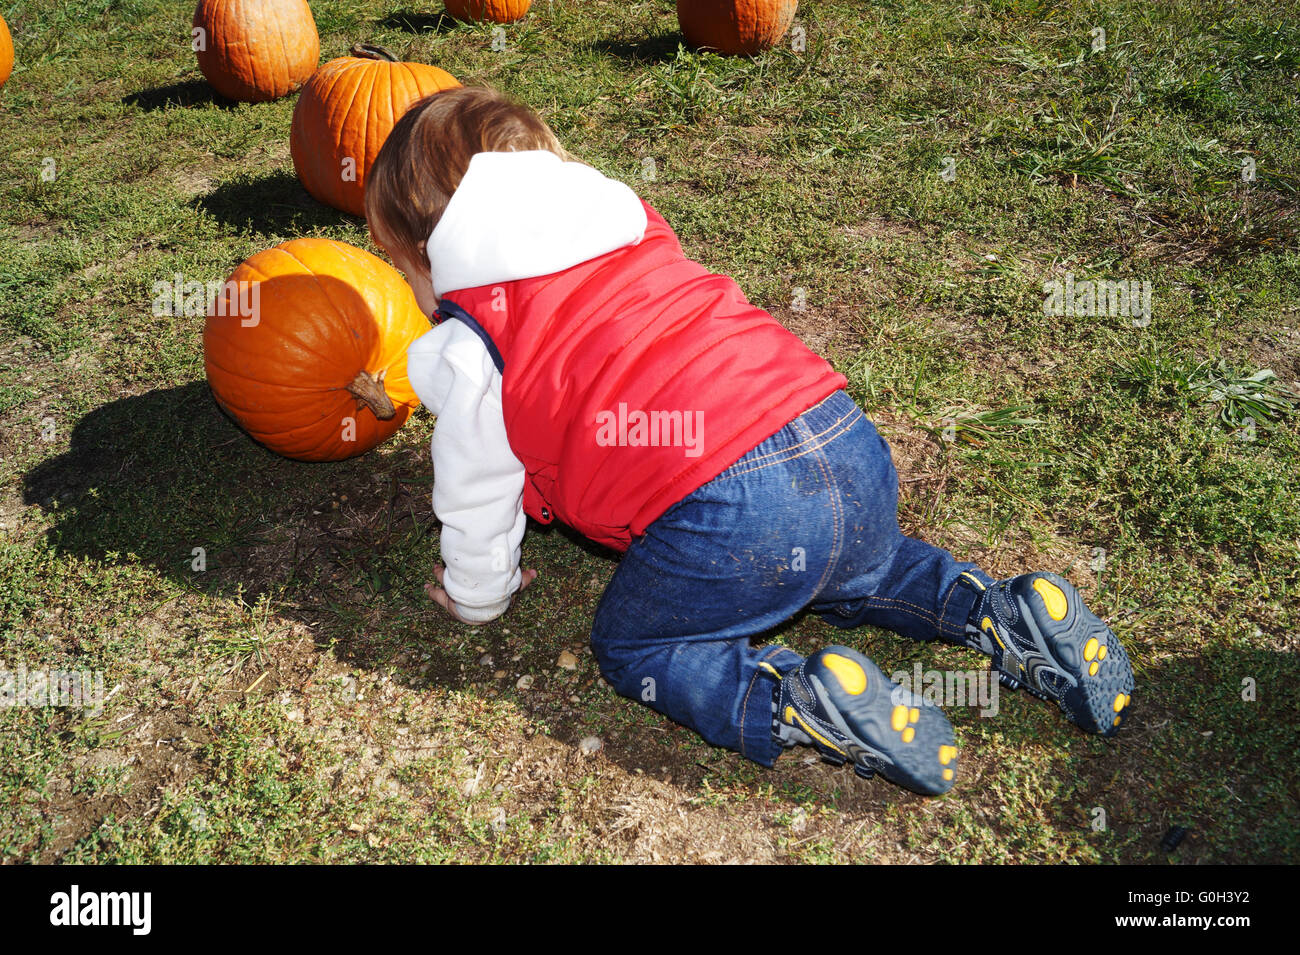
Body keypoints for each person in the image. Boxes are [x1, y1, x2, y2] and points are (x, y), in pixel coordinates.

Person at [363, 86, 1135, 795]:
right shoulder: (627, 231)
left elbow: (476, 493)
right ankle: (1001, 607)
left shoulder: (472, 344)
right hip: (837, 436)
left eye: (401, 267)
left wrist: (477, 594)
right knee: (863, 568)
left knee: (633, 644)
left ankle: (799, 700)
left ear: (430, 251)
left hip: (727, 506)